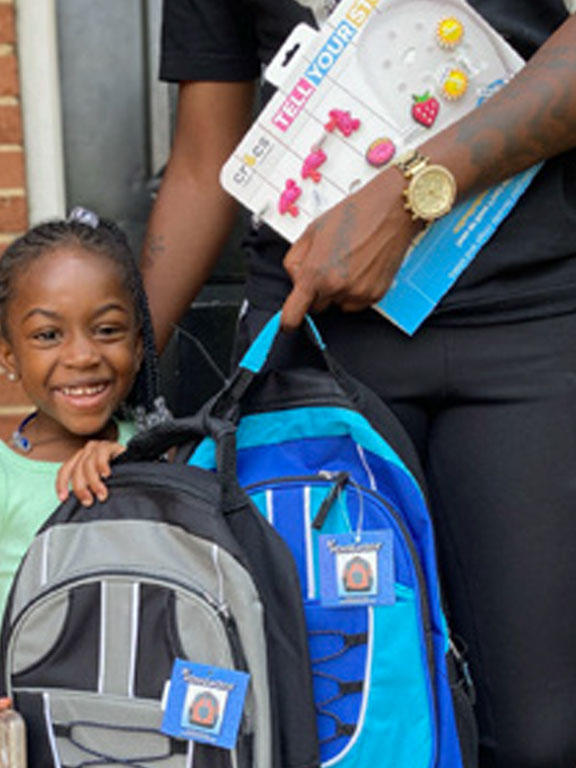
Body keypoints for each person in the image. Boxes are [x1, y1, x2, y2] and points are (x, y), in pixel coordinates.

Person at [142, 1, 576, 766]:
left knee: (543, 737)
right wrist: (121, 374)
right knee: (339, 726)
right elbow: (203, 156)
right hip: (312, 334)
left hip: (535, 322)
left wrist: (409, 193)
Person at [0, 210, 167, 768]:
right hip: (26, 739)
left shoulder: (163, 454)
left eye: (107, 329)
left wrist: (136, 462)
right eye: (48, 335)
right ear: (7, 354)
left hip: (146, 735)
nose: (82, 355)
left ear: (139, 346)